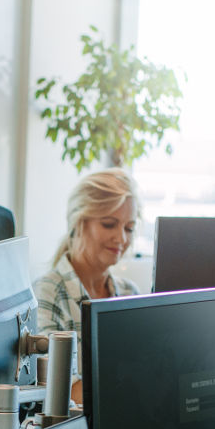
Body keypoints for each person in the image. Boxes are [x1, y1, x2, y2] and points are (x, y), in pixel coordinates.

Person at [32, 169, 142, 399]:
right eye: (109, 224)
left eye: (129, 228)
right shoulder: (47, 294)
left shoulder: (130, 293)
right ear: (79, 223)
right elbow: (63, 391)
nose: (121, 238)